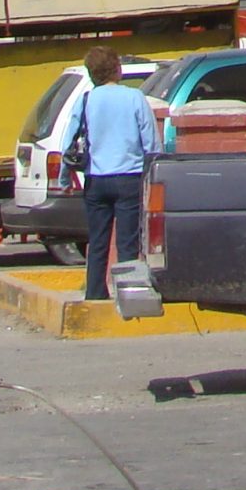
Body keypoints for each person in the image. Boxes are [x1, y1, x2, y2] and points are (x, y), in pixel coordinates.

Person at [75, 44, 158, 301]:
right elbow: (151, 143)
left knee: (98, 241)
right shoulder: (134, 97)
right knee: (127, 242)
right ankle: (128, 295)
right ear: (117, 69)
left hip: (96, 179)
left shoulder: (87, 99)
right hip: (128, 178)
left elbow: (72, 138)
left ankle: (95, 293)